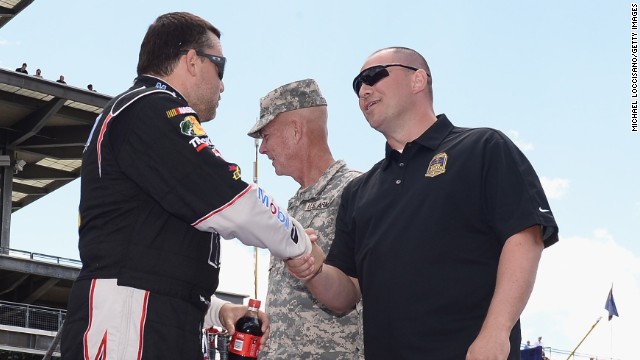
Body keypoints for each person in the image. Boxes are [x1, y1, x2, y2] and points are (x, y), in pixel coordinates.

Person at [60, 12, 313, 360]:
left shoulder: (141, 113)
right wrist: (299, 244)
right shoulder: (150, 108)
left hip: (148, 313)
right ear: (192, 61)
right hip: (130, 319)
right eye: (220, 68)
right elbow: (231, 199)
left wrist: (216, 310)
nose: (223, 85)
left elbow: (155, 246)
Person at [286, 46, 559, 360]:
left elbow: (525, 236)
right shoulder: (360, 191)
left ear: (418, 80)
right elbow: (346, 293)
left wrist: (496, 333)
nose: (363, 89)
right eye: (357, 84)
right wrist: (312, 268)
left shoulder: (482, 147)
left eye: (374, 76)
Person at [247, 79, 363, 359]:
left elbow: (355, 294)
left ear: (295, 130)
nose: (262, 149)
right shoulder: (293, 207)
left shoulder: (359, 192)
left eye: (266, 136)